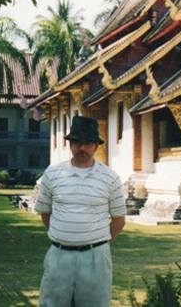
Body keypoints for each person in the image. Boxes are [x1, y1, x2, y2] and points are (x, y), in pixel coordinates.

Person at [35, 115, 126, 307]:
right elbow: (46, 213)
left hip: (96, 257)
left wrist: (95, 241)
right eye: (77, 143)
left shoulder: (110, 178)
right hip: (59, 255)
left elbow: (118, 220)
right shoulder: (52, 174)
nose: (82, 148)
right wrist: (66, 234)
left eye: (87, 143)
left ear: (96, 146)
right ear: (70, 144)